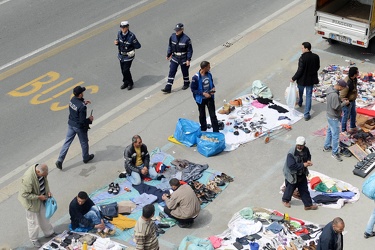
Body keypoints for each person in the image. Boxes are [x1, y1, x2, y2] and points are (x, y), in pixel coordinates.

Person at [56, 86, 94, 170]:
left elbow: (76, 106)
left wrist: (83, 102)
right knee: (84, 142)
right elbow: (82, 121)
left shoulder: (72, 100)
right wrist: (89, 119)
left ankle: (60, 160)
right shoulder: (82, 107)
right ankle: (86, 157)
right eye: (82, 92)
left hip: (71, 124)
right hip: (79, 127)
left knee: (67, 142)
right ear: (80, 94)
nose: (83, 93)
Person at [18, 164, 56, 247]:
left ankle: (49, 233)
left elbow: (45, 182)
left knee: (45, 218)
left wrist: (47, 191)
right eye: (43, 175)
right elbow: (24, 194)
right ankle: (34, 239)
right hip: (31, 204)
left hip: (41, 199)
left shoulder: (42, 173)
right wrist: (38, 197)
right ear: (38, 172)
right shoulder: (28, 179)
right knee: (33, 222)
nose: (45, 176)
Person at [282, 136, 318, 210]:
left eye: (301, 145)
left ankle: (308, 205)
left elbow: (308, 155)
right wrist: (303, 165)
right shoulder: (291, 153)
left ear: (304, 144)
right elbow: (291, 165)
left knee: (304, 188)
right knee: (290, 188)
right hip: (292, 174)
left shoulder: (306, 149)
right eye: (298, 145)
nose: (300, 147)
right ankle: (285, 200)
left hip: (301, 173)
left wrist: (308, 160)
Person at [291, 42, 320, 121]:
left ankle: (300, 102)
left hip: (302, 80)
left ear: (307, 48)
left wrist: (293, 78)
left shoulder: (302, 58)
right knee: (308, 96)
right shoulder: (316, 57)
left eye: (302, 48)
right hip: (310, 80)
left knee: (300, 92)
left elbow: (300, 70)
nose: (302, 49)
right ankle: (306, 114)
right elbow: (317, 67)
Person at [161, 23, 193, 93]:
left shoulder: (186, 39)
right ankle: (168, 87)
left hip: (183, 58)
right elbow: (170, 46)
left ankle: (186, 83)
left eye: (178, 30)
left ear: (182, 30)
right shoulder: (172, 37)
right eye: (176, 30)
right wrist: (168, 54)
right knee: (172, 71)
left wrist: (188, 59)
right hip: (175, 57)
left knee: (185, 72)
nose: (177, 32)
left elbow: (189, 50)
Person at [323, 80, 349, 162]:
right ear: (340, 86)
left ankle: (326, 146)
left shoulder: (330, 89)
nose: (343, 89)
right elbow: (336, 107)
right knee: (335, 136)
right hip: (334, 116)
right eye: (343, 88)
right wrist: (344, 103)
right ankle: (335, 153)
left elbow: (334, 102)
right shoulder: (334, 95)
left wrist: (340, 100)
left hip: (329, 114)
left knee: (329, 131)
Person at [190, 61, 219, 132]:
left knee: (213, 115)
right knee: (202, 114)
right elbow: (193, 89)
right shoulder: (196, 78)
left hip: (210, 97)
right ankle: (203, 128)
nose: (210, 68)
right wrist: (203, 93)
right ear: (204, 68)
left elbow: (211, 83)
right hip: (201, 99)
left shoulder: (209, 74)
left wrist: (213, 89)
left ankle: (216, 130)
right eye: (208, 67)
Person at [115, 21, 141, 90]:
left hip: (128, 56)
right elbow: (119, 42)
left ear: (127, 27)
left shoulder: (131, 36)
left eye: (124, 27)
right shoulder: (119, 33)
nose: (122, 29)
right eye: (121, 27)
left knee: (126, 70)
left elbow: (138, 46)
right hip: (121, 56)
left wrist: (132, 49)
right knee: (122, 70)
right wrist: (116, 43)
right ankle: (125, 82)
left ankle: (130, 83)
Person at [340, 67, 359, 134]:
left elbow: (354, 88)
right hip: (347, 102)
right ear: (354, 74)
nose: (358, 73)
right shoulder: (347, 82)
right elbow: (342, 95)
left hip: (352, 100)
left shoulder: (354, 79)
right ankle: (343, 130)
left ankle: (352, 126)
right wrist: (345, 102)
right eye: (357, 72)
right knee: (345, 116)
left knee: (353, 113)